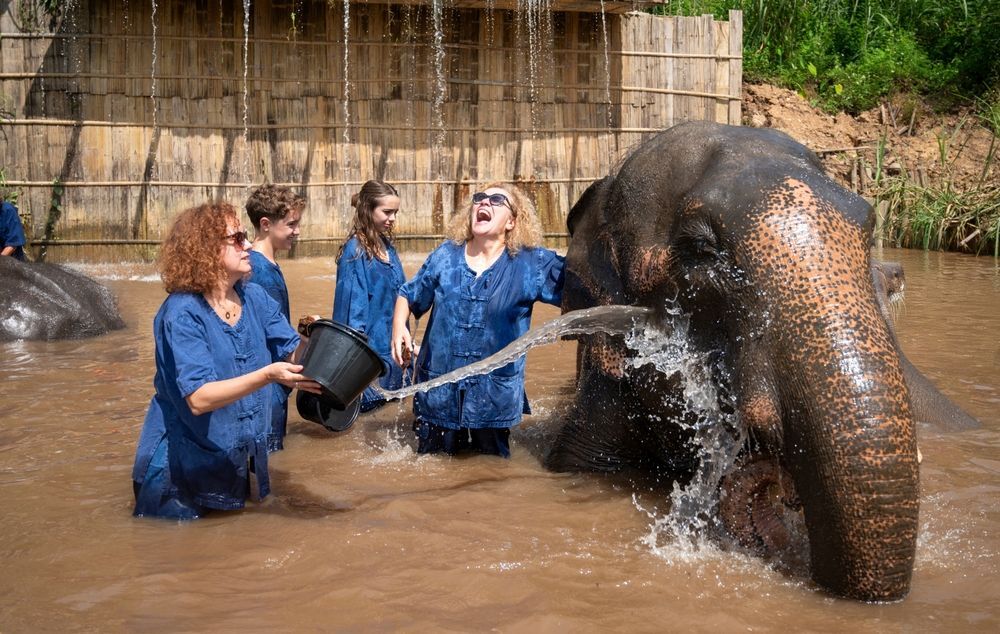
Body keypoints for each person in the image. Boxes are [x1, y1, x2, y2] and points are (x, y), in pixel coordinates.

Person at [130, 201, 322, 520]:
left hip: (234, 463)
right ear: (206, 249)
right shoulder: (181, 314)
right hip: (178, 476)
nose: (248, 245)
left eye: (245, 236)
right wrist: (267, 376)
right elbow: (199, 398)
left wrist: (312, 336)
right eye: (237, 238)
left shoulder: (255, 298)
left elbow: (293, 356)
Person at [390, 182, 565, 458]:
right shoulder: (445, 256)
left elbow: (581, 284)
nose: (484, 203)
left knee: (491, 480)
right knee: (431, 472)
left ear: (512, 221)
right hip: (438, 397)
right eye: (479, 198)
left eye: (497, 200)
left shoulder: (532, 264)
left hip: (493, 401)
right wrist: (399, 326)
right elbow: (408, 295)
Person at [332, 180, 407, 412]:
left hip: (392, 355)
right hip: (369, 360)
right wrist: (353, 370)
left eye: (395, 212)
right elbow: (351, 315)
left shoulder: (386, 246)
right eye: (386, 212)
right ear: (367, 210)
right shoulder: (355, 253)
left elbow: (401, 295)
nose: (392, 218)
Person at [246, 184, 306, 451]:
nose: (297, 231)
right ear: (266, 224)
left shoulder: (254, 263)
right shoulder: (261, 273)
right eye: (291, 224)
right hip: (267, 387)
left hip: (265, 385)